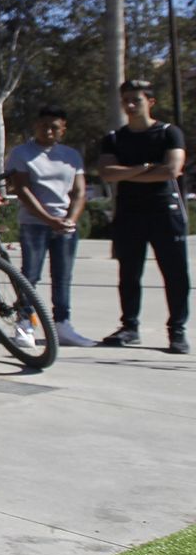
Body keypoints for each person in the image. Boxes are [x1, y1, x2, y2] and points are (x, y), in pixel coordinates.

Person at [99, 79, 189, 354]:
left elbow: (171, 170)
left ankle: (177, 331)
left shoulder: (168, 133)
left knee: (175, 274)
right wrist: (146, 168)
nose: (129, 105)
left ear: (150, 102)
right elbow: (107, 173)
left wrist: (127, 172)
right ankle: (129, 327)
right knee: (129, 273)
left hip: (165, 212)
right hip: (129, 213)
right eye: (125, 100)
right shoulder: (114, 138)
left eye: (136, 100)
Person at [4, 106, 94, 347]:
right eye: (44, 125)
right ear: (36, 126)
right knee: (30, 275)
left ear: (63, 129)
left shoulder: (71, 155)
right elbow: (22, 189)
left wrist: (70, 220)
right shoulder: (22, 153)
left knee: (63, 276)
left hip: (64, 225)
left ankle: (62, 324)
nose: (49, 130)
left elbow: (79, 191)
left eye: (55, 126)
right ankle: (25, 323)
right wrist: (48, 219)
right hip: (35, 224)